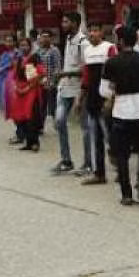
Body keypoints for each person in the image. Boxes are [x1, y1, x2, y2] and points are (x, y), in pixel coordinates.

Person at [101, 26, 139, 205]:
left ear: (121, 41)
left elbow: (104, 91)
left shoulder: (111, 63)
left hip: (121, 112)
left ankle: (126, 194)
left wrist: (115, 93)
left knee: (122, 154)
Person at [74, 23, 116, 184]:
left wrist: (111, 97)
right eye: (90, 31)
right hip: (92, 98)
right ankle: (99, 173)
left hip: (106, 99)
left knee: (110, 136)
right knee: (96, 137)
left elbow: (115, 74)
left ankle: (120, 168)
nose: (92, 34)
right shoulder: (87, 51)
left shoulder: (109, 48)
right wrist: (80, 97)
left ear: (102, 33)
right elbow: (86, 76)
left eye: (95, 30)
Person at [52, 13, 87, 174]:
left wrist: (65, 73)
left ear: (75, 23)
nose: (62, 24)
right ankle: (66, 160)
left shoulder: (83, 42)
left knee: (86, 127)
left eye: (66, 22)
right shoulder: (67, 40)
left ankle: (88, 163)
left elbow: (85, 70)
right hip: (65, 88)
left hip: (80, 89)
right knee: (59, 121)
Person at [8, 49, 46, 151]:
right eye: (21, 45)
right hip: (20, 92)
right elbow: (15, 76)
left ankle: (34, 142)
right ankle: (28, 142)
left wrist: (26, 89)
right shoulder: (19, 59)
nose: (23, 47)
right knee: (21, 119)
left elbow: (35, 79)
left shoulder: (31, 60)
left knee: (31, 119)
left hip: (30, 93)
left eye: (25, 45)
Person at [34, 29, 62, 133]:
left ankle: (57, 124)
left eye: (47, 36)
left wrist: (53, 82)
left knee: (53, 105)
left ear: (51, 38)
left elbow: (57, 67)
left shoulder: (54, 50)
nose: (44, 39)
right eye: (43, 36)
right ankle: (40, 127)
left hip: (51, 84)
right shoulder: (38, 51)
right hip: (40, 84)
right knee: (41, 106)